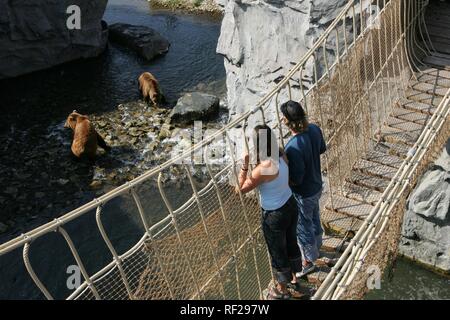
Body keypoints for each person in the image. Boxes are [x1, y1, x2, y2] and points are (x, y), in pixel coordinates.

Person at [236, 125, 302, 300]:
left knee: (277, 251)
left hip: (274, 215)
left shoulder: (262, 168)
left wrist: (245, 164)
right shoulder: (280, 154)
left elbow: (240, 190)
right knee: (291, 242)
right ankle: (294, 278)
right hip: (290, 204)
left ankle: (283, 290)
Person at [280, 100, 327, 278]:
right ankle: (317, 247)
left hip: (303, 193)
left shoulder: (292, 147)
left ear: (286, 120)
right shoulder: (314, 129)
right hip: (317, 185)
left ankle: (308, 261)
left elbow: (297, 180)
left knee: (302, 226)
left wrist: (283, 180)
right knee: (315, 217)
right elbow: (321, 149)